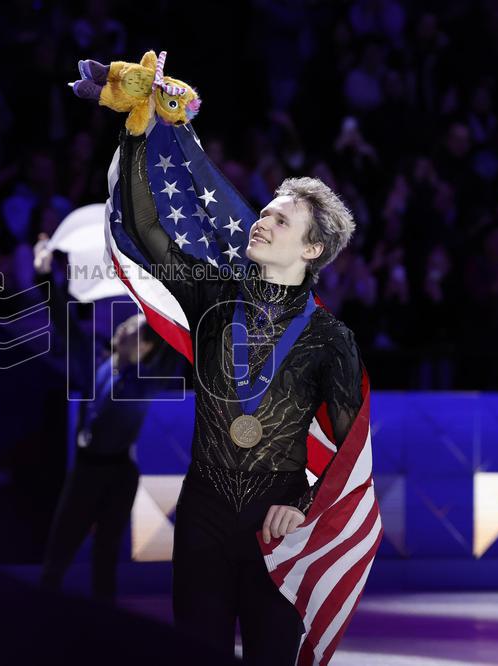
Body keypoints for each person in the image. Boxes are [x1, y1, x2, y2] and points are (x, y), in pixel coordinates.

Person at [114, 127, 364, 665]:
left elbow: (348, 457)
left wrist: (301, 508)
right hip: (203, 512)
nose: (262, 221)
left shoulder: (330, 339)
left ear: (313, 248)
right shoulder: (210, 295)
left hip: (276, 530)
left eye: (280, 219)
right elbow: (146, 225)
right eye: (265, 211)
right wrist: (137, 133)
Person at [33, 236, 182, 603]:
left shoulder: (146, 380)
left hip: (119, 473)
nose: (126, 328)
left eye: (135, 329)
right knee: (60, 549)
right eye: (129, 324)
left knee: (106, 558)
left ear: (146, 347)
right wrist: (44, 277)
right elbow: (64, 323)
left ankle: (107, 633)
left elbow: (174, 339)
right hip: (86, 469)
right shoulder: (95, 360)